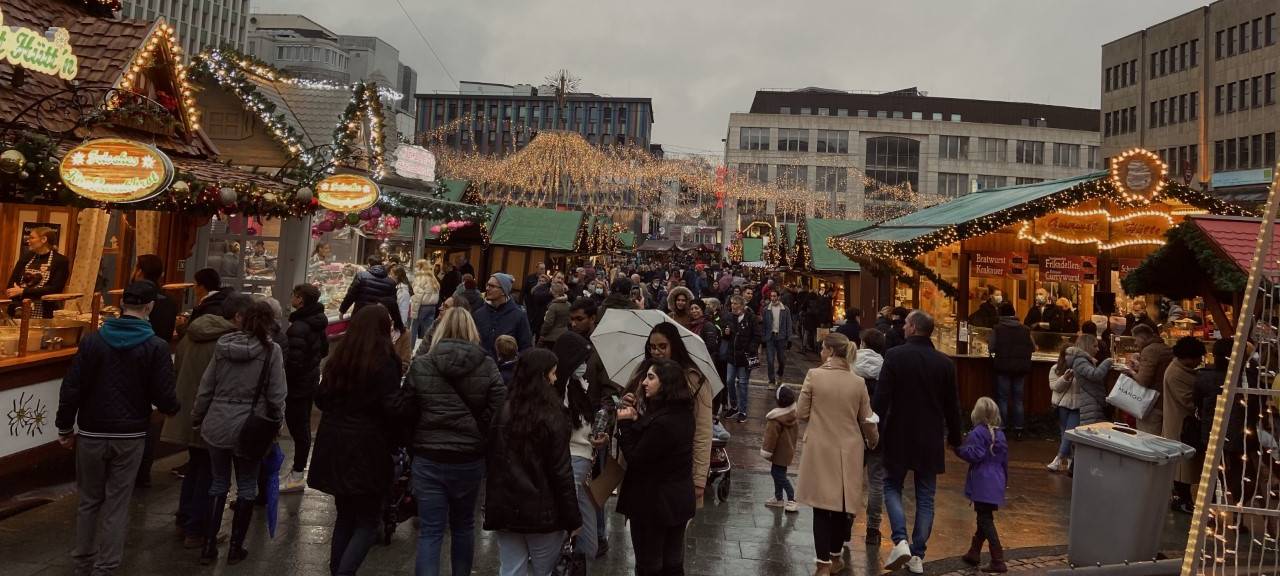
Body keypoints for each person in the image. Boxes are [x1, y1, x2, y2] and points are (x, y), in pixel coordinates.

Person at [56, 281, 179, 576]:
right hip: (130, 434)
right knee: (117, 502)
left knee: (89, 500)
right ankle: (106, 566)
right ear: (149, 307)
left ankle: (82, 561)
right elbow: (164, 395)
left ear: (122, 305)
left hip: (91, 431)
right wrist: (173, 409)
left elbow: (72, 387)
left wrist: (64, 427)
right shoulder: (156, 346)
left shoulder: (92, 341)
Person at [404, 306, 507, 576]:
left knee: (431, 530)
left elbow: (407, 410)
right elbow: (500, 407)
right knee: (463, 526)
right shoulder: (486, 364)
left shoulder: (422, 364)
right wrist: (480, 429)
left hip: (428, 454)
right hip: (468, 457)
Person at [308, 305, 405, 576]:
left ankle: (337, 570)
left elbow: (321, 398)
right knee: (368, 521)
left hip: (334, 442)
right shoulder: (386, 361)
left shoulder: (340, 357)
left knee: (345, 516)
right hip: (368, 447)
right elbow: (391, 408)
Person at [191, 298, 286, 565]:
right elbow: (277, 394)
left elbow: (206, 386)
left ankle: (208, 546)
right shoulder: (272, 351)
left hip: (217, 422)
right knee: (246, 485)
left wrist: (198, 417)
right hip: (251, 426)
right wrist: (276, 423)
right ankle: (235, 547)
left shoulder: (223, 345)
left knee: (218, 482)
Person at [875, 310, 962, 573]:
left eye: (905, 324)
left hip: (898, 433)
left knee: (891, 485)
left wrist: (874, 431)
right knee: (926, 495)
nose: (902, 327)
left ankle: (900, 539)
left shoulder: (895, 356)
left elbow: (881, 398)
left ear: (913, 327)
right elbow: (952, 406)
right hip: (930, 436)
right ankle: (918, 554)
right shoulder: (945, 364)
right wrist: (955, 438)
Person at [485, 348, 582, 575]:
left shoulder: (503, 411)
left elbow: (492, 460)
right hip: (544, 512)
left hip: (505, 508)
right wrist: (573, 519)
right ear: (542, 376)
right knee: (544, 570)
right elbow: (561, 472)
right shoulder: (554, 415)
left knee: (511, 569)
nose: (555, 379)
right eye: (553, 373)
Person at [166, 292, 247, 549]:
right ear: (238, 316)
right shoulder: (228, 342)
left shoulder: (190, 336)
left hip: (186, 412)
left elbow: (177, 370)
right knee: (210, 474)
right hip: (212, 415)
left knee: (195, 467)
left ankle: (183, 520)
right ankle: (197, 530)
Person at [796, 332, 879, 575]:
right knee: (842, 505)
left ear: (831, 351)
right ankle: (835, 557)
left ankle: (822, 564)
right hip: (849, 449)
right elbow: (867, 419)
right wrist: (873, 440)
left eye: (823, 348)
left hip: (820, 447)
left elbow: (801, 412)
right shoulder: (858, 382)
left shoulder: (814, 375)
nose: (821, 352)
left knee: (821, 506)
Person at [615, 358, 696, 576]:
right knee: (672, 563)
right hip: (676, 501)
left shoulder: (663, 422)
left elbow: (637, 458)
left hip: (653, 504)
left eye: (651, 377)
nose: (644, 382)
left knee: (649, 564)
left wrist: (624, 425)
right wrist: (637, 417)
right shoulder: (683, 413)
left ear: (666, 383)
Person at [553, 332, 602, 565]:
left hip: (584, 468)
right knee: (568, 536)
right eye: (581, 360)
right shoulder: (558, 391)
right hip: (570, 465)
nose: (584, 365)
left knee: (589, 545)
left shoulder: (578, 386)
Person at [129, 255, 178, 487]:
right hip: (157, 362)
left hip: (134, 362)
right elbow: (166, 334)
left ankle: (127, 469)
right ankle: (142, 471)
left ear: (139, 271)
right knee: (148, 418)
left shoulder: (134, 296)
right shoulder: (169, 301)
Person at [279, 284, 329, 494]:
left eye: (294, 295)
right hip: (309, 382)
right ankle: (296, 472)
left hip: (297, 387)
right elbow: (324, 350)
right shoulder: (317, 323)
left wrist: (285, 382)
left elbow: (293, 362)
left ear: (300, 299)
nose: (291, 298)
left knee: (299, 429)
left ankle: (297, 475)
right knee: (302, 428)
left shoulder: (299, 327)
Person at [957, 397, 1010, 573]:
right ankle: (974, 552)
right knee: (984, 517)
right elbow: (1004, 461)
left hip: (982, 481)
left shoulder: (977, 433)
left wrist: (958, 449)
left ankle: (997, 559)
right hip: (997, 480)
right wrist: (1004, 482)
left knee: (985, 519)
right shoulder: (1000, 434)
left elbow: (975, 455)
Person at [1164, 336, 1206, 513]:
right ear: (1188, 357)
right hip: (1181, 425)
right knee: (1182, 466)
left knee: (1185, 465)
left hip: (1183, 424)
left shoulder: (1182, 370)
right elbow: (1188, 400)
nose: (1199, 361)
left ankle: (1184, 498)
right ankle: (1183, 500)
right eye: (1197, 357)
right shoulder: (1176, 374)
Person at [855, 328, 888, 546]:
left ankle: (846, 519)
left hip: (854, 431)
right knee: (876, 481)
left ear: (864, 344)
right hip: (879, 431)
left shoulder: (851, 368)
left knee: (851, 476)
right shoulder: (886, 370)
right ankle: (873, 529)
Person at [6, 226, 70, 317]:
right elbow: (12, 283)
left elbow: (55, 288)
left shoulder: (60, 261)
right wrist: (17, 302)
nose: (28, 241)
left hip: (44, 311)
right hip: (18, 309)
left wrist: (23, 291)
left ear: (44, 239)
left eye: (32, 238)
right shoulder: (26, 257)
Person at [989, 311, 1034, 435]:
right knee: (1018, 399)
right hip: (1020, 369)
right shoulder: (1025, 330)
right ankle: (1018, 428)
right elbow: (1033, 347)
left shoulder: (997, 329)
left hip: (1003, 368)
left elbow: (991, 347)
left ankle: (1002, 427)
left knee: (1003, 399)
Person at [474, 273, 534, 358]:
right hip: (481, 364)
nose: (487, 288)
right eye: (487, 285)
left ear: (503, 291)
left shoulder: (519, 316)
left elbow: (526, 347)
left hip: (505, 365)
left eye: (492, 286)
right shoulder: (479, 314)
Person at [1128, 324, 1173, 435]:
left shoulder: (1149, 350)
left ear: (1142, 337)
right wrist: (1139, 367)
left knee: (1146, 438)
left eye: (1135, 339)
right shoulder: (1165, 348)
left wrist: (1130, 371)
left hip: (1151, 404)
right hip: (1165, 402)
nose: (1135, 343)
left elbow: (1143, 380)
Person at [762, 384, 800, 512]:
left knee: (777, 474)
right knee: (779, 473)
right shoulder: (793, 414)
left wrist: (767, 451)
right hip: (787, 451)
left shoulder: (775, 418)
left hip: (779, 452)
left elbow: (770, 437)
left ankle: (792, 498)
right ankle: (778, 498)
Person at [723, 295, 760, 423]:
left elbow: (757, 335)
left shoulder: (751, 318)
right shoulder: (729, 317)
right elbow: (726, 335)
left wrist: (751, 348)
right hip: (732, 356)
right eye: (732, 303)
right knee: (729, 381)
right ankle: (734, 406)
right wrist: (726, 333)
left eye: (736, 304)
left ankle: (743, 411)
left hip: (744, 357)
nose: (733, 306)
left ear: (742, 306)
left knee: (743, 384)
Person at [339, 256, 400, 328]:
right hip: (378, 321)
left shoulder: (361, 276)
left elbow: (351, 295)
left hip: (360, 316)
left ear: (369, 265)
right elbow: (393, 305)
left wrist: (342, 310)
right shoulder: (391, 282)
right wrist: (397, 324)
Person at [1069, 333, 1114, 429]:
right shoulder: (1080, 361)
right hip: (1090, 403)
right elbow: (1095, 375)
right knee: (1092, 431)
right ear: (1087, 346)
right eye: (1095, 346)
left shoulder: (1084, 360)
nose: (1098, 349)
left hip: (1092, 401)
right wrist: (1108, 361)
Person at [1047, 346, 1079, 472]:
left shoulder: (1081, 369)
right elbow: (1054, 387)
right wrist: (1065, 378)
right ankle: (1070, 460)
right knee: (1064, 434)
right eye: (1067, 354)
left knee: (1068, 433)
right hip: (1061, 405)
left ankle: (1058, 459)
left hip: (1076, 406)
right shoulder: (1055, 369)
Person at [761, 289, 792, 387]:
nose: (773, 298)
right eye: (771, 296)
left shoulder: (785, 309)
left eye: (774, 296)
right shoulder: (766, 309)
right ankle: (771, 381)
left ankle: (780, 374)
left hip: (781, 337)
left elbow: (789, 324)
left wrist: (789, 339)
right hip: (770, 337)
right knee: (770, 360)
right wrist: (763, 338)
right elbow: (764, 325)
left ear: (778, 297)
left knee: (781, 360)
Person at [412, 259, 441, 341]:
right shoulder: (433, 278)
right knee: (428, 331)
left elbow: (418, 295)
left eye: (416, 266)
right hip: (432, 307)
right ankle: (427, 347)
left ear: (419, 267)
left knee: (413, 328)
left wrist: (414, 311)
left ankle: (410, 347)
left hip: (422, 307)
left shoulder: (419, 278)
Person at [539, 281, 571, 347]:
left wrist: (542, 333)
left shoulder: (553, 306)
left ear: (554, 293)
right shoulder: (569, 304)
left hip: (551, 337)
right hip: (564, 334)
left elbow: (548, 323)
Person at [526, 273, 553, 338]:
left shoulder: (547, 290)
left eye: (543, 281)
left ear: (546, 282)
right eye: (539, 281)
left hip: (540, 315)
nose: (541, 282)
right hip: (532, 314)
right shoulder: (534, 289)